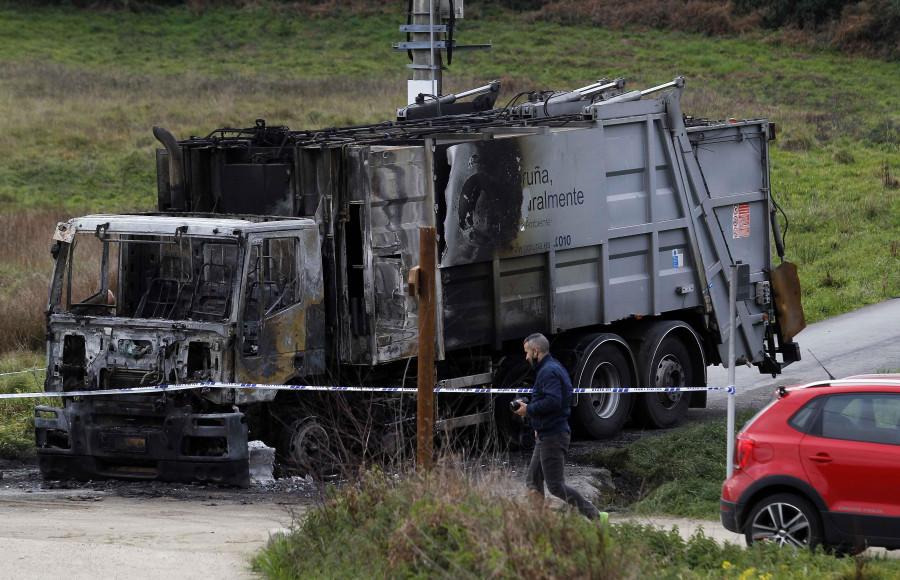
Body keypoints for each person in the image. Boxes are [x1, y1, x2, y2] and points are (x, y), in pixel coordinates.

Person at [513, 333, 608, 523]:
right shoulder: (551, 368)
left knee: (555, 486)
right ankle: (537, 522)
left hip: (554, 437)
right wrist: (538, 423)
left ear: (536, 351)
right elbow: (552, 401)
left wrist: (528, 410)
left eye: (526, 352)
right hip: (546, 433)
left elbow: (554, 402)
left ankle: (596, 516)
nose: (526, 357)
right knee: (533, 480)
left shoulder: (548, 371)